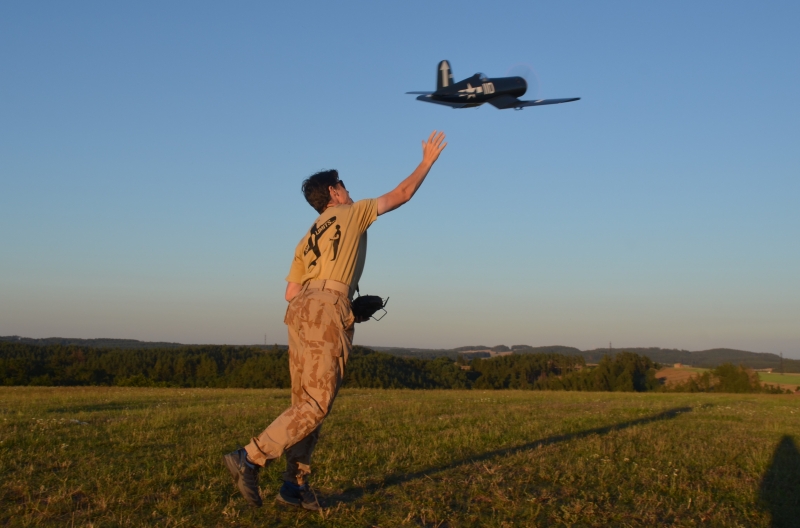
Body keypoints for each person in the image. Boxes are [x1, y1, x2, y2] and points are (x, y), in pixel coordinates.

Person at [224, 130, 447, 510]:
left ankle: (293, 488)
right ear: (334, 192)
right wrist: (426, 162)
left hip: (300, 311)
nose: (348, 189)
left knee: (305, 405)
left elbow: (290, 293)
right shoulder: (352, 211)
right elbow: (402, 194)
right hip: (328, 307)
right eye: (343, 185)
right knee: (315, 405)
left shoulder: (307, 235)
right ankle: (249, 457)